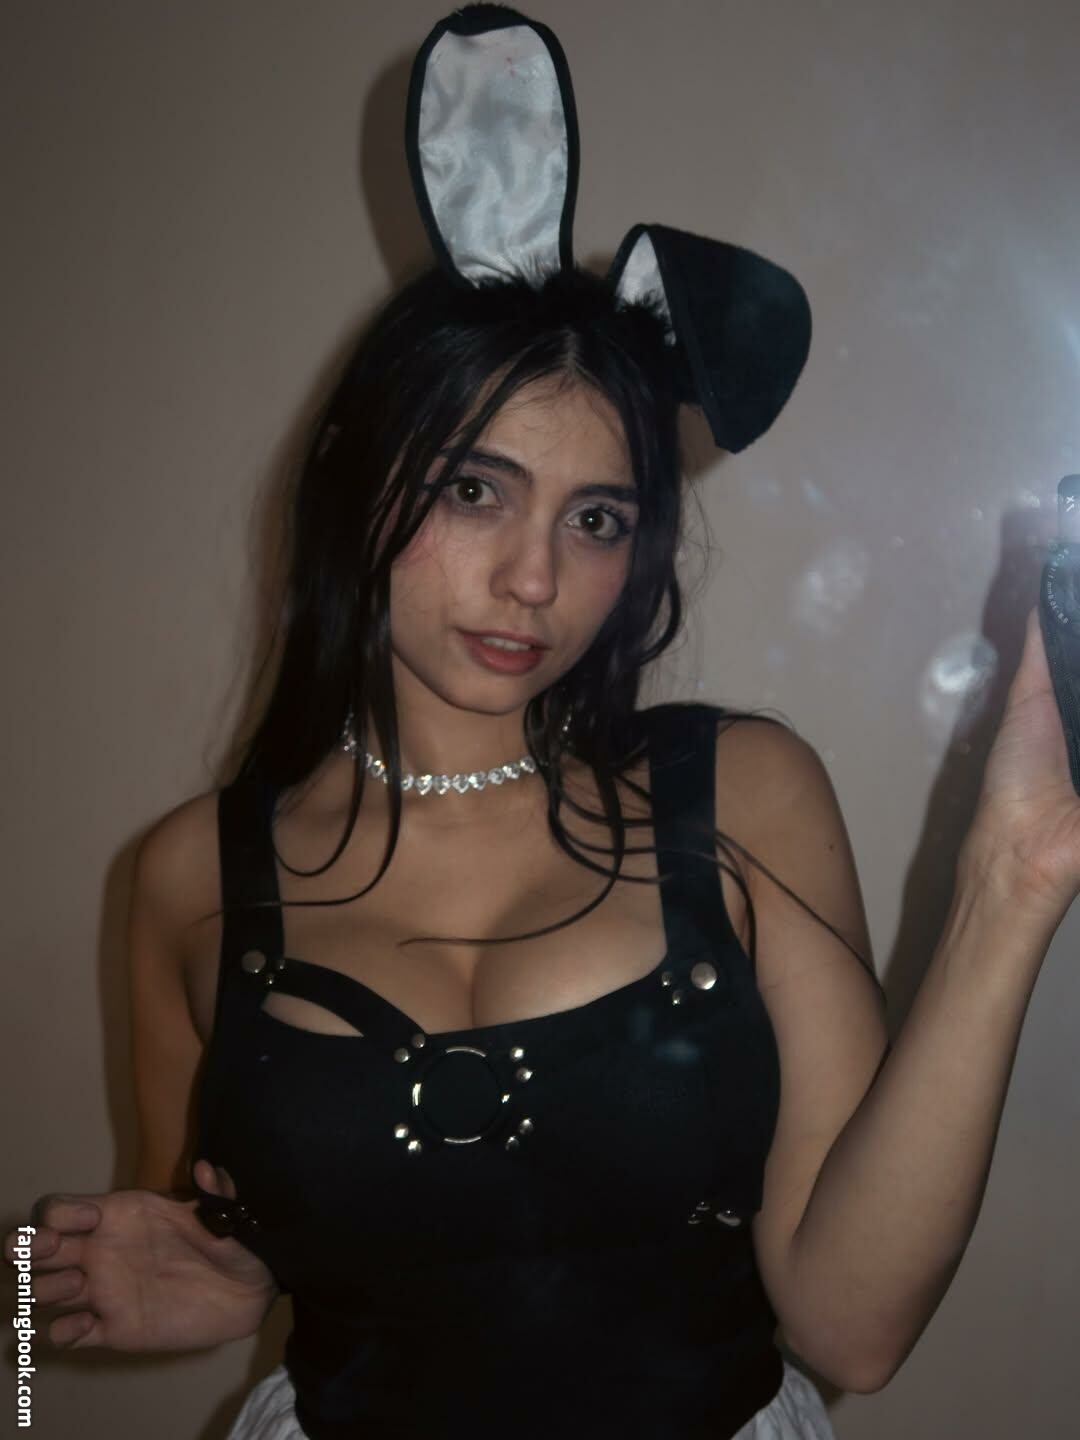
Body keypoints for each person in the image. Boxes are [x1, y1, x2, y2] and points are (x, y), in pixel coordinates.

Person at [6, 6, 1076, 1439]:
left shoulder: (742, 795)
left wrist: (1018, 876)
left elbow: (854, 1329)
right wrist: (137, 1303)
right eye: (474, 491)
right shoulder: (189, 878)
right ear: (360, 483)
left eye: (597, 519)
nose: (534, 579)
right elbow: (176, 1253)